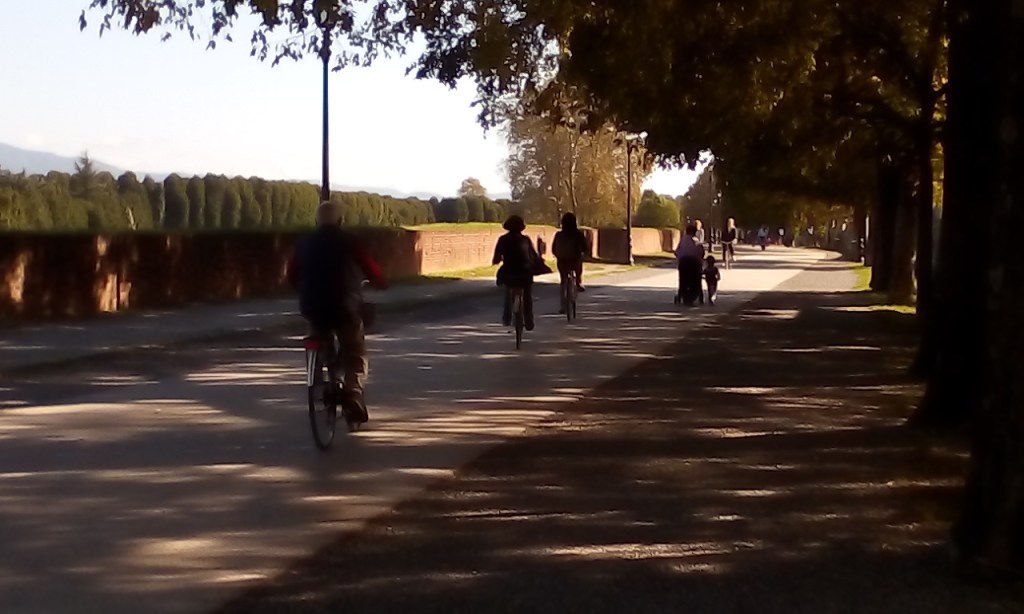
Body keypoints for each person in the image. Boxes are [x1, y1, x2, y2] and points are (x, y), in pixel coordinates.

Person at [288, 200, 389, 423]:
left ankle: (316, 380)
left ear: (316, 221)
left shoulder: (303, 243)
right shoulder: (349, 241)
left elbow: (291, 275)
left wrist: (304, 289)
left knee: (315, 338)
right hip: (344, 307)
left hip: (312, 307)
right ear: (340, 221)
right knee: (355, 352)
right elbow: (370, 267)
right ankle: (352, 392)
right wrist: (380, 282)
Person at [492, 215, 546, 330]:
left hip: (509, 272)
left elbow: (496, 258)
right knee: (527, 295)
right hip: (524, 273)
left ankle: (507, 318)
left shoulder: (503, 239)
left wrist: (497, 260)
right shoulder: (525, 240)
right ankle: (529, 320)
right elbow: (533, 255)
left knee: (508, 291)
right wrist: (538, 264)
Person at [552, 212, 588, 314]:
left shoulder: (559, 235)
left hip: (562, 260)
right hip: (574, 260)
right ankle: (578, 282)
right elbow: (585, 248)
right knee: (579, 263)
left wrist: (558, 255)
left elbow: (553, 249)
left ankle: (563, 306)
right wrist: (584, 253)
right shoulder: (578, 234)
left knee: (563, 281)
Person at [674, 223, 705, 306]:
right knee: (695, 281)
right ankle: (691, 297)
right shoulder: (696, 240)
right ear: (694, 232)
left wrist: (680, 257)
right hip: (693, 262)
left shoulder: (682, 240)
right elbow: (701, 252)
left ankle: (681, 295)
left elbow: (676, 252)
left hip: (683, 262)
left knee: (683, 281)